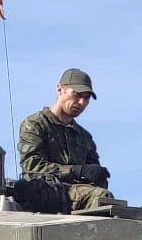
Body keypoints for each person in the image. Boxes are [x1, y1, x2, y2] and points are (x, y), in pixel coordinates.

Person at [18, 69, 114, 211]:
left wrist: (95, 174)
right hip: (46, 192)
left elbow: (95, 175)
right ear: (60, 90)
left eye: (86, 98)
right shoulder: (36, 124)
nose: (81, 102)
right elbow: (32, 168)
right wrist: (75, 171)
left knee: (105, 199)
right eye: (77, 95)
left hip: (76, 193)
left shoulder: (84, 137)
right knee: (99, 197)